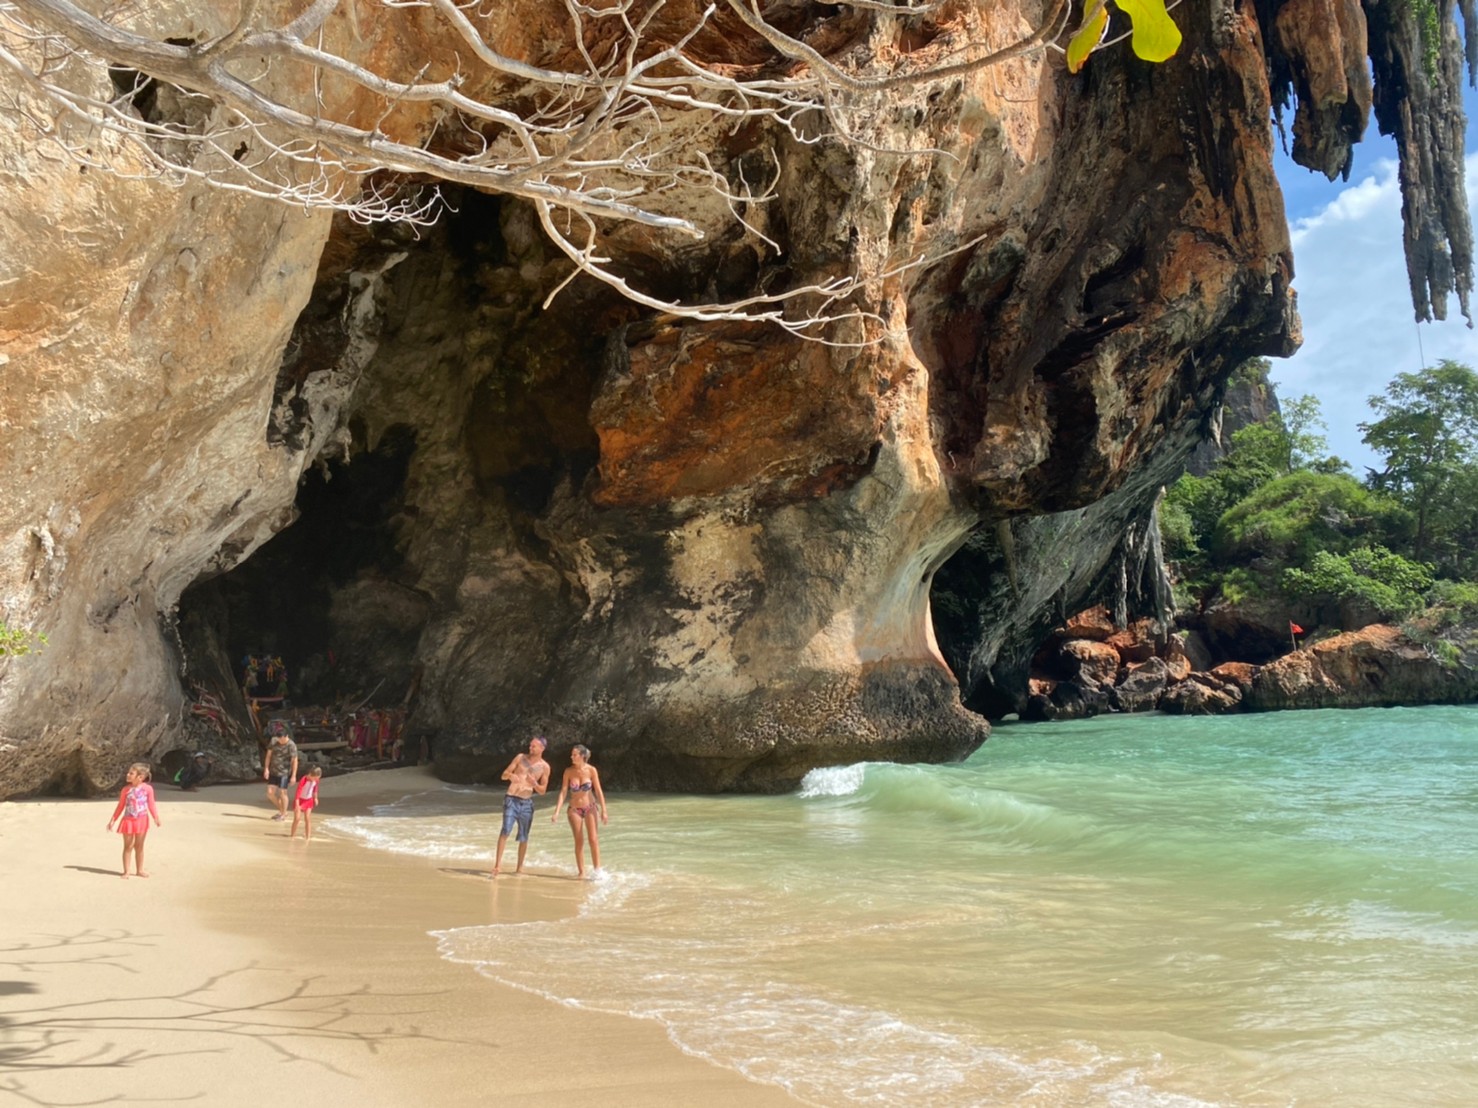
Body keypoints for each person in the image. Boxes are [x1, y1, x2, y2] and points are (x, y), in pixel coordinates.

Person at [491, 736, 550, 876]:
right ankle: (497, 866)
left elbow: (543, 791)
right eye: (530, 745)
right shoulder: (520, 758)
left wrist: (534, 784)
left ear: (542, 748)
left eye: (534, 746)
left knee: (524, 836)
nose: (530, 748)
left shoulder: (545, 767)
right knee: (505, 830)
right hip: (511, 798)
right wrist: (510, 776)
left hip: (526, 802)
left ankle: (519, 868)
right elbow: (503, 775)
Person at [549, 744, 608, 879]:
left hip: (590, 807)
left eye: (574, 755)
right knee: (579, 840)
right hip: (574, 809)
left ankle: (598, 871)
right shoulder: (568, 771)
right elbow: (563, 792)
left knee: (593, 839)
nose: (571, 757)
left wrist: (604, 810)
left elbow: (598, 791)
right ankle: (581, 872)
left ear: (582, 756)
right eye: (572, 754)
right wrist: (556, 812)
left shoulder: (591, 770)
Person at [107, 762, 161, 878]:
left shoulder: (148, 789)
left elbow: (151, 804)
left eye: (131, 773)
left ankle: (140, 870)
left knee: (139, 846)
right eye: (128, 772)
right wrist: (113, 819)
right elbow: (121, 805)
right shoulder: (126, 790)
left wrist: (156, 817)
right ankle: (126, 871)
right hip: (128, 820)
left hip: (142, 820)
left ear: (140, 777)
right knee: (128, 846)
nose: (127, 775)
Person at [262, 724, 299, 821]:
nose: (280, 741)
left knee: (283, 793)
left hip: (284, 772)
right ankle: (283, 811)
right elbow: (268, 756)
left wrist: (294, 776)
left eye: (282, 739)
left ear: (287, 736)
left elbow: (295, 760)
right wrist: (266, 769)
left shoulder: (291, 745)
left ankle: (283, 814)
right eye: (279, 739)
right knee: (270, 793)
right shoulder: (274, 741)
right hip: (273, 771)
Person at [290, 765, 323, 840]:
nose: (316, 780)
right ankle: (292, 835)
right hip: (300, 800)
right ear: (310, 775)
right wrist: (297, 805)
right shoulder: (304, 780)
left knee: (307, 818)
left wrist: (315, 798)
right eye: (314, 778)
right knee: (297, 818)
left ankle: (308, 837)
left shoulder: (316, 780)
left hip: (309, 800)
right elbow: (298, 792)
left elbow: (315, 789)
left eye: (317, 778)